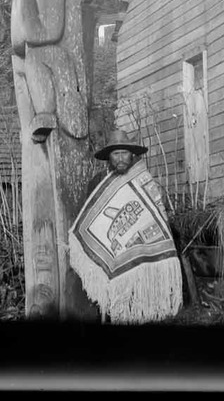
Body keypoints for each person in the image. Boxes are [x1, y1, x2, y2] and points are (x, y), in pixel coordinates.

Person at [69, 129, 183, 323]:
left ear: (132, 154)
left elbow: (155, 216)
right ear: (108, 157)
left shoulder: (143, 180)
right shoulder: (98, 183)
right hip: (111, 251)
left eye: (124, 153)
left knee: (137, 308)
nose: (121, 158)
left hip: (139, 256)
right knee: (110, 308)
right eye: (116, 154)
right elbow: (93, 221)